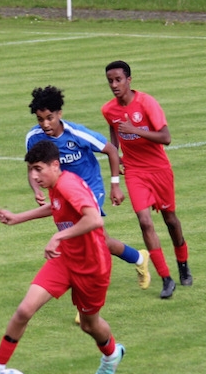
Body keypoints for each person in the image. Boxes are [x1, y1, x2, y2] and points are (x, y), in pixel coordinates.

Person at [0, 140, 126, 374]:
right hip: (65, 259)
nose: (35, 177)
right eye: (31, 170)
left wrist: (59, 236)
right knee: (24, 310)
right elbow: (56, 206)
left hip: (92, 266)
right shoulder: (57, 185)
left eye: (38, 169)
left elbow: (94, 219)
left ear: (55, 165)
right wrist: (18, 217)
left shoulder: (69, 184)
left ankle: (111, 355)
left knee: (89, 325)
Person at [26, 85, 151, 298]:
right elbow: (33, 167)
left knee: (83, 240)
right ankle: (139, 258)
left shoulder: (77, 134)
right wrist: (36, 189)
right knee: (100, 241)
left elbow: (111, 150)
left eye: (49, 118)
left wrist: (115, 185)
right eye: (40, 119)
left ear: (59, 114)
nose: (45, 124)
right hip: (64, 194)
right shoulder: (33, 138)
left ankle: (85, 300)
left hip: (91, 189)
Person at [101, 60, 193, 300]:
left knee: (170, 220)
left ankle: (183, 263)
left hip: (159, 169)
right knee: (144, 221)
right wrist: (117, 158)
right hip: (135, 172)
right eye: (110, 81)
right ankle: (166, 278)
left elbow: (166, 137)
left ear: (129, 80)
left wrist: (135, 130)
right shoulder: (108, 110)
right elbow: (114, 133)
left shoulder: (147, 103)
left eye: (118, 80)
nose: (114, 85)